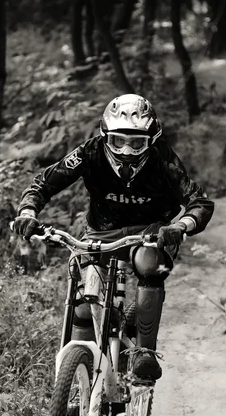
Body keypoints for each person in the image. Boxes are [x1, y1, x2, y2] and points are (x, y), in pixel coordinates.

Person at [13, 94, 214, 381]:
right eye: (119, 141)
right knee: (83, 307)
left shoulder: (163, 159)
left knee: (149, 265)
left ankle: (145, 353)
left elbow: (199, 202)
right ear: (105, 136)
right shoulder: (90, 152)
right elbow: (45, 182)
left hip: (150, 231)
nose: (128, 151)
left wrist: (181, 225)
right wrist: (28, 212)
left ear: (152, 139)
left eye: (137, 143)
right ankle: (82, 376)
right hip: (100, 231)